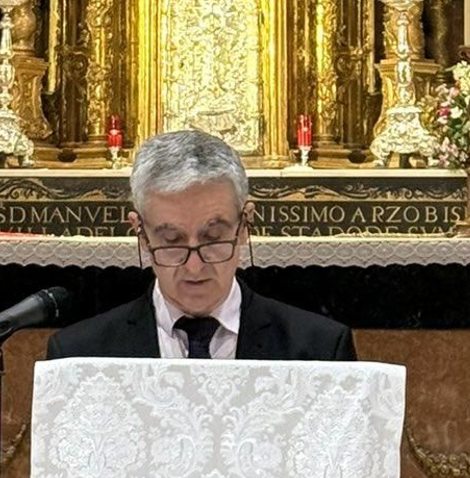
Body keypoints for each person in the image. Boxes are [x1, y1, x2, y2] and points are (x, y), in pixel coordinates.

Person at [47, 128, 356, 362]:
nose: (194, 267)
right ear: (141, 234)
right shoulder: (79, 355)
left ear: (245, 225)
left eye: (213, 238)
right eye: (172, 241)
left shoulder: (320, 349)